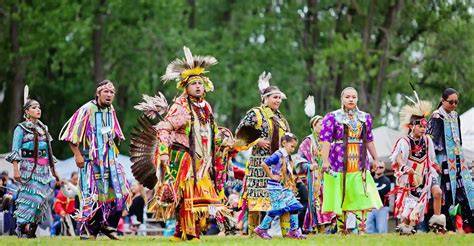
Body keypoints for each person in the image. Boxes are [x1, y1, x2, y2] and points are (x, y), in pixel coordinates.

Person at [151, 46, 231, 241]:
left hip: (203, 160)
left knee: (201, 196)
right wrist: (162, 152)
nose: (197, 86)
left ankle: (181, 232)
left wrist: (227, 141)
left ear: (206, 86)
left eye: (200, 83)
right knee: (187, 196)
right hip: (184, 158)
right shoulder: (181, 107)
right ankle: (189, 232)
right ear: (185, 87)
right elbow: (163, 127)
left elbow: (211, 133)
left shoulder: (206, 107)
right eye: (193, 83)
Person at [59, 80, 129, 240]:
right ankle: (88, 232)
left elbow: (116, 133)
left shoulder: (111, 110)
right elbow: (71, 134)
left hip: (110, 161)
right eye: (106, 91)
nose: (109, 95)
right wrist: (77, 154)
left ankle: (109, 226)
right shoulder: (87, 109)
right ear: (98, 93)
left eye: (112, 92)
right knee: (92, 197)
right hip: (91, 162)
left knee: (121, 192)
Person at [320, 87, 382, 234]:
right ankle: (342, 229)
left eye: (354, 97)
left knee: (362, 193)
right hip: (339, 161)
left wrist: (376, 159)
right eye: (347, 97)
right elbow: (326, 141)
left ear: (357, 99)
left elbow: (369, 140)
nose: (351, 99)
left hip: (360, 161)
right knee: (341, 193)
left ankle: (362, 229)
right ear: (342, 99)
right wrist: (325, 160)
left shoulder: (365, 117)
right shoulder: (332, 116)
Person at [235, 72, 291, 235]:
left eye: (280, 98)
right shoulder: (256, 114)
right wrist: (256, 141)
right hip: (260, 162)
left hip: (279, 163)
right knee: (256, 200)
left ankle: (287, 233)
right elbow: (239, 133)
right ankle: (253, 233)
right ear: (265, 98)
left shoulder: (281, 118)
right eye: (275, 97)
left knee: (283, 197)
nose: (278, 101)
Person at [6, 86, 59, 238]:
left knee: (43, 200)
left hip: (43, 170)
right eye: (34, 107)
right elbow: (15, 150)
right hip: (28, 168)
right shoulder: (20, 128)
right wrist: (16, 170)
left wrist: (54, 172)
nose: (38, 110)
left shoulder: (44, 128)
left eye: (39, 107)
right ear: (27, 111)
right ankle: (22, 227)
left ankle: (32, 231)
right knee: (31, 198)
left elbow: (49, 151)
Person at [391, 97, 445, 234]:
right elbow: (398, 157)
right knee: (410, 208)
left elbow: (432, 159)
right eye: (420, 126)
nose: (423, 129)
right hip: (411, 178)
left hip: (426, 175)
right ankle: (405, 229)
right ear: (412, 126)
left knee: (438, 193)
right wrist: (404, 167)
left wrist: (437, 167)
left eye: (424, 126)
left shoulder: (427, 141)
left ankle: (438, 224)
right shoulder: (404, 141)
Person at [427, 88, 474, 233]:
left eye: (456, 102)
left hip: (457, 158)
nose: (453, 105)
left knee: (465, 189)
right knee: (444, 192)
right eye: (451, 102)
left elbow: (458, 139)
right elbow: (431, 141)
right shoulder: (436, 117)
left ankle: (465, 226)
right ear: (443, 100)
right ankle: (442, 225)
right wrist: (434, 163)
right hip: (442, 159)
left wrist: (461, 158)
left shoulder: (455, 115)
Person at [254, 133, 306, 240]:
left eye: (294, 147)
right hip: (275, 187)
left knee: (294, 205)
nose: (293, 149)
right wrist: (271, 175)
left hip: (283, 187)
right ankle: (261, 229)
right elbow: (264, 164)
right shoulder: (277, 155)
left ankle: (294, 230)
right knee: (276, 209)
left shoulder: (286, 156)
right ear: (284, 143)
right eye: (291, 146)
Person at [297, 95, 335, 233]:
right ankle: (318, 226)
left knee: (328, 198)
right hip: (314, 177)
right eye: (320, 124)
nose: (323, 126)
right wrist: (308, 165)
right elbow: (299, 158)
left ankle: (326, 226)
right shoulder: (308, 141)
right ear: (314, 125)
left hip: (327, 175)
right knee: (316, 201)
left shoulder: (327, 141)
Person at [366, 162, 391, 234]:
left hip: (382, 207)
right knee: (368, 229)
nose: (378, 169)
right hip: (370, 208)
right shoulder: (369, 180)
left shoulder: (387, 181)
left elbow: (382, 193)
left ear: (384, 168)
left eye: (381, 167)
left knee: (382, 230)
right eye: (377, 167)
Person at [53, 171, 79, 236]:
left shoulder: (81, 186)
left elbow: (77, 191)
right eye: (74, 179)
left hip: (80, 212)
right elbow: (59, 201)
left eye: (77, 179)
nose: (76, 181)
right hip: (69, 214)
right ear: (71, 179)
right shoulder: (68, 187)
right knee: (71, 230)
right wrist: (63, 186)